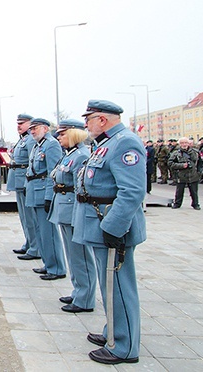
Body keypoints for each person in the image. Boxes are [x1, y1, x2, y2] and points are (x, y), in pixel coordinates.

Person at [73, 99, 146, 365]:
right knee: (109, 285)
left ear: (102, 119)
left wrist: (113, 227)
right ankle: (114, 332)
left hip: (113, 226)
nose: (86, 125)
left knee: (119, 287)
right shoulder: (106, 143)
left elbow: (132, 192)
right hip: (101, 222)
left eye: (88, 119)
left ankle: (124, 347)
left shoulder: (124, 142)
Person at [48, 119, 96, 313]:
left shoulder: (81, 155)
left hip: (74, 208)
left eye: (62, 134)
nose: (59, 137)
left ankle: (85, 298)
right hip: (65, 208)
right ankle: (78, 290)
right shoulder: (70, 154)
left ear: (74, 134)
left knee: (81, 256)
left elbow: (81, 188)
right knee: (72, 255)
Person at [25, 118, 65, 280]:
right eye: (31, 129)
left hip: (43, 193)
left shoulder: (52, 145)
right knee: (40, 231)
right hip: (34, 192)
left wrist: (49, 197)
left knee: (49, 233)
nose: (32, 131)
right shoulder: (38, 145)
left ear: (45, 129)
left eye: (35, 129)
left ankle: (56, 268)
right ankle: (48, 263)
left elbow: (52, 173)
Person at [8, 114, 41, 261]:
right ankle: (29, 242)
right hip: (19, 181)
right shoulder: (22, 140)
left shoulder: (29, 140)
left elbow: (32, 161)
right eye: (18, 123)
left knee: (30, 217)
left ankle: (35, 247)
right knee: (24, 217)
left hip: (25, 181)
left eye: (22, 123)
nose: (19, 126)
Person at [168, 137, 203, 210]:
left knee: (194, 192)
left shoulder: (196, 152)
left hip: (193, 175)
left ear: (189, 143)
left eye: (185, 143)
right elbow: (170, 163)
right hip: (181, 175)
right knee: (179, 191)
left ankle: (195, 204)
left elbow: (202, 163)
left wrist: (199, 173)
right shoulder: (176, 153)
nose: (184, 144)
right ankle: (177, 204)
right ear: (179, 144)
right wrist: (181, 165)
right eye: (182, 143)